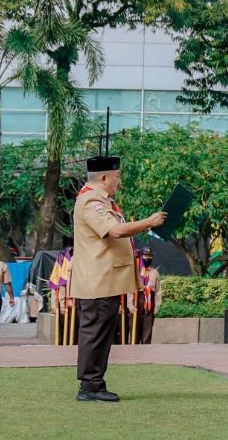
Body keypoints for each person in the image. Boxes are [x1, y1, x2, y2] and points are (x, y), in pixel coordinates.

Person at [70, 155, 166, 402]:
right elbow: (114, 231)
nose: (119, 181)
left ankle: (94, 384)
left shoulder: (102, 200)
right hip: (98, 281)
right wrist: (148, 222)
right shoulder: (91, 200)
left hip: (104, 280)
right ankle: (90, 386)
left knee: (101, 333)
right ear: (104, 177)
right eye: (116, 176)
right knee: (95, 333)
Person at [127, 246, 162, 344]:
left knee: (147, 327)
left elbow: (158, 291)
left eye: (150, 256)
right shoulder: (136, 272)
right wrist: (130, 305)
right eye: (145, 255)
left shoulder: (154, 272)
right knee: (135, 327)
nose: (148, 258)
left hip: (150, 301)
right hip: (138, 299)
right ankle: (135, 348)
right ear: (141, 256)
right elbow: (130, 289)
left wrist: (157, 306)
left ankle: (146, 347)